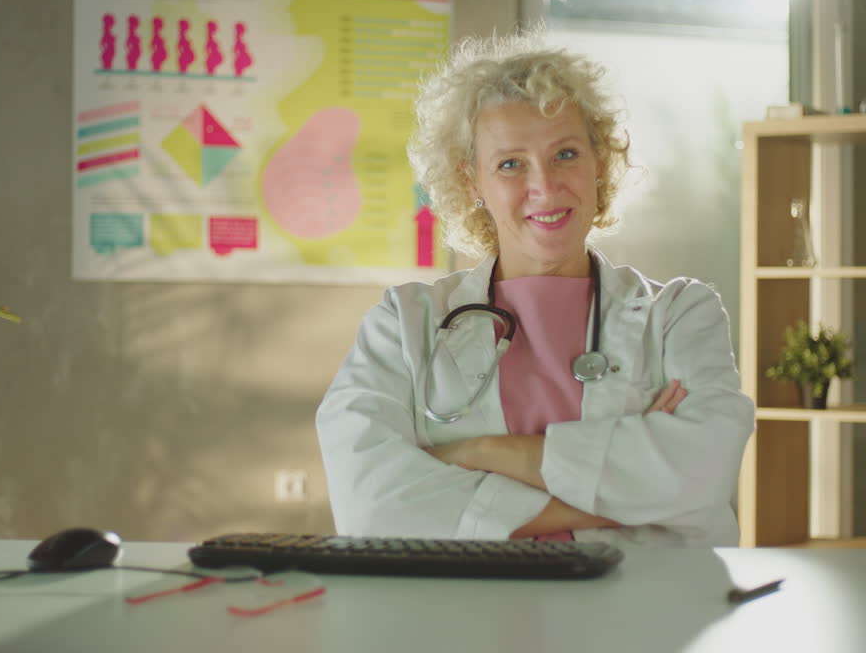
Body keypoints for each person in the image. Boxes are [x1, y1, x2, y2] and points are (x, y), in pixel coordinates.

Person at [315, 30, 754, 547]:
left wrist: (480, 454)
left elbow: (702, 474)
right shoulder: (405, 323)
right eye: (510, 164)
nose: (545, 186)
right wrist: (627, 498)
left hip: (642, 615)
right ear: (472, 180)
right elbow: (371, 504)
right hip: (464, 619)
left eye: (566, 154)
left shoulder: (679, 314)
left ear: (600, 163)